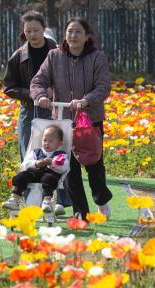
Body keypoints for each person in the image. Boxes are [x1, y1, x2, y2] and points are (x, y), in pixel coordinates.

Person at [30, 17, 112, 220]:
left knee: (94, 168)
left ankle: (101, 199)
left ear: (86, 37)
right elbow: (38, 81)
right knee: (69, 169)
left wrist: (86, 101)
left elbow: (103, 87)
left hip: (90, 121)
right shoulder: (54, 56)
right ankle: (80, 213)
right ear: (64, 35)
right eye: (70, 32)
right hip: (63, 122)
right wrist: (40, 96)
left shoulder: (97, 57)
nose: (73, 36)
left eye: (78, 32)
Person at [2, 11, 69, 215]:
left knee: (60, 152)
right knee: (29, 155)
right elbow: (8, 86)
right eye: (28, 30)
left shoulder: (58, 52)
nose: (32, 34)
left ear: (44, 29)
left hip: (53, 109)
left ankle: (60, 202)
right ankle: (26, 201)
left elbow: (67, 78)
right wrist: (31, 94)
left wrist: (53, 92)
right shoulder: (19, 56)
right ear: (23, 31)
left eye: (36, 30)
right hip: (29, 111)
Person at [2, 125, 70, 213]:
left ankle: (47, 201)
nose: (47, 143)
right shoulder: (36, 152)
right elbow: (25, 164)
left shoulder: (60, 155)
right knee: (21, 176)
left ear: (59, 143)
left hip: (50, 175)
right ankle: (14, 199)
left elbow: (64, 167)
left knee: (49, 178)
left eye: (51, 141)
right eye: (44, 140)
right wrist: (36, 163)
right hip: (34, 174)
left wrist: (52, 163)